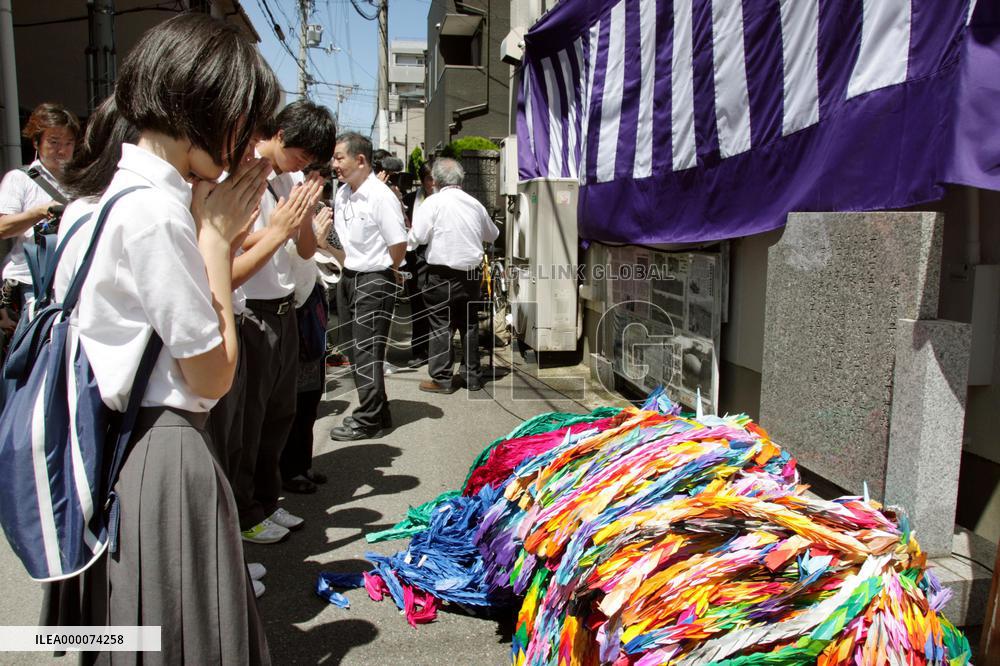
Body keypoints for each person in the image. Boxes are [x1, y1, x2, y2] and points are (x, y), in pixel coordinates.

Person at [55, 14, 280, 663]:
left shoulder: (91, 203)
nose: (244, 144)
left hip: (107, 446)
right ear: (204, 105)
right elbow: (213, 376)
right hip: (165, 452)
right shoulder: (156, 214)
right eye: (242, 120)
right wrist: (217, 240)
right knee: (189, 637)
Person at [230, 100, 332, 545]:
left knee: (280, 413)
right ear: (281, 135)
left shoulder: (290, 179)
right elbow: (229, 240)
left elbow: (306, 250)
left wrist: (304, 217)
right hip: (252, 306)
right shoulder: (242, 171)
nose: (302, 165)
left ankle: (268, 501)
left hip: (286, 304)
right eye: (301, 155)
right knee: (249, 420)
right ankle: (245, 511)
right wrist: (279, 228)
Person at [327, 132, 406, 441]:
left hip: (374, 280)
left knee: (366, 351)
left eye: (339, 158)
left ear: (360, 160)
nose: (334, 164)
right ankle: (379, 410)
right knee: (355, 348)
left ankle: (368, 419)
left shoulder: (380, 196)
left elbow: (398, 243)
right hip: (349, 276)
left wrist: (388, 271)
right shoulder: (343, 193)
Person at [410, 158, 498, 393]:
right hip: (470, 275)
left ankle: (442, 379)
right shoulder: (475, 204)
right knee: (469, 324)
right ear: (461, 179)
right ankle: (472, 377)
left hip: (441, 274)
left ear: (436, 181)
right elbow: (492, 234)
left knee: (441, 325)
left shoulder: (433, 202)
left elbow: (418, 237)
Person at [0, 103, 79, 326]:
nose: (62, 150)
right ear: (36, 142)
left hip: (72, 277)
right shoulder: (20, 178)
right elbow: (3, 228)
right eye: (54, 142)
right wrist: (39, 212)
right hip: (31, 281)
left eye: (68, 143)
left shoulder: (80, 181)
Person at [400, 160, 434, 368]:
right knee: (418, 305)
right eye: (429, 179)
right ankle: (420, 350)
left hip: (439, 258)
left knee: (438, 307)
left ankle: (438, 351)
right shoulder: (410, 200)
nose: (433, 183)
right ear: (422, 181)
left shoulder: (446, 199)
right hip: (415, 259)